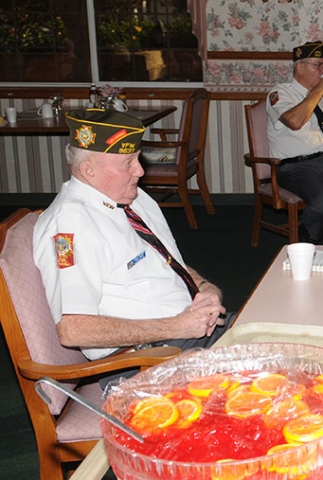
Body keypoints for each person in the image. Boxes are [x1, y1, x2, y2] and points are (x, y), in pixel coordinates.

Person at [33, 109, 228, 361]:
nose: (140, 171)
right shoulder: (71, 226)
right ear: (88, 170)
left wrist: (204, 288)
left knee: (281, 327)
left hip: (188, 332)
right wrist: (178, 326)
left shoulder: (136, 200)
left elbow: (165, 262)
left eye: (137, 159)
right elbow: (73, 330)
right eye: (127, 163)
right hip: (145, 358)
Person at [267, 40, 323, 244]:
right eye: (319, 66)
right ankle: (308, 238)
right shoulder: (280, 92)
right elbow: (294, 121)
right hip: (295, 166)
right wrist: (318, 91)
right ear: (300, 67)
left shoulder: (322, 97)